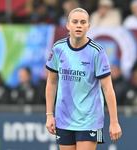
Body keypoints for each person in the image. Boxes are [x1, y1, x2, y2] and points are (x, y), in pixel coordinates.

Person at [45, 8, 122, 150]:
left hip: (89, 120)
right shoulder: (58, 48)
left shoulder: (96, 51)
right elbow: (51, 82)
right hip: (64, 119)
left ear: (88, 27)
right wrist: (49, 114)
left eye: (83, 22)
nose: (79, 25)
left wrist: (114, 121)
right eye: (75, 22)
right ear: (68, 25)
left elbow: (107, 88)